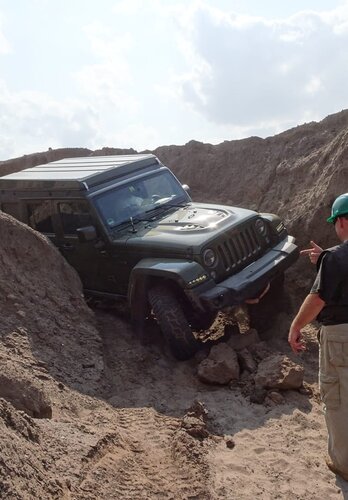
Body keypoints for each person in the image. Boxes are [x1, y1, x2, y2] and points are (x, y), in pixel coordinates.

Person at [288, 193, 348, 482]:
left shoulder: (337, 258)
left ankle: (344, 464)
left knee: (338, 399)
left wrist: (296, 325)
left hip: (341, 337)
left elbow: (318, 298)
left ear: (343, 222)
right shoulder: (334, 258)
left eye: (336, 221)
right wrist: (325, 259)